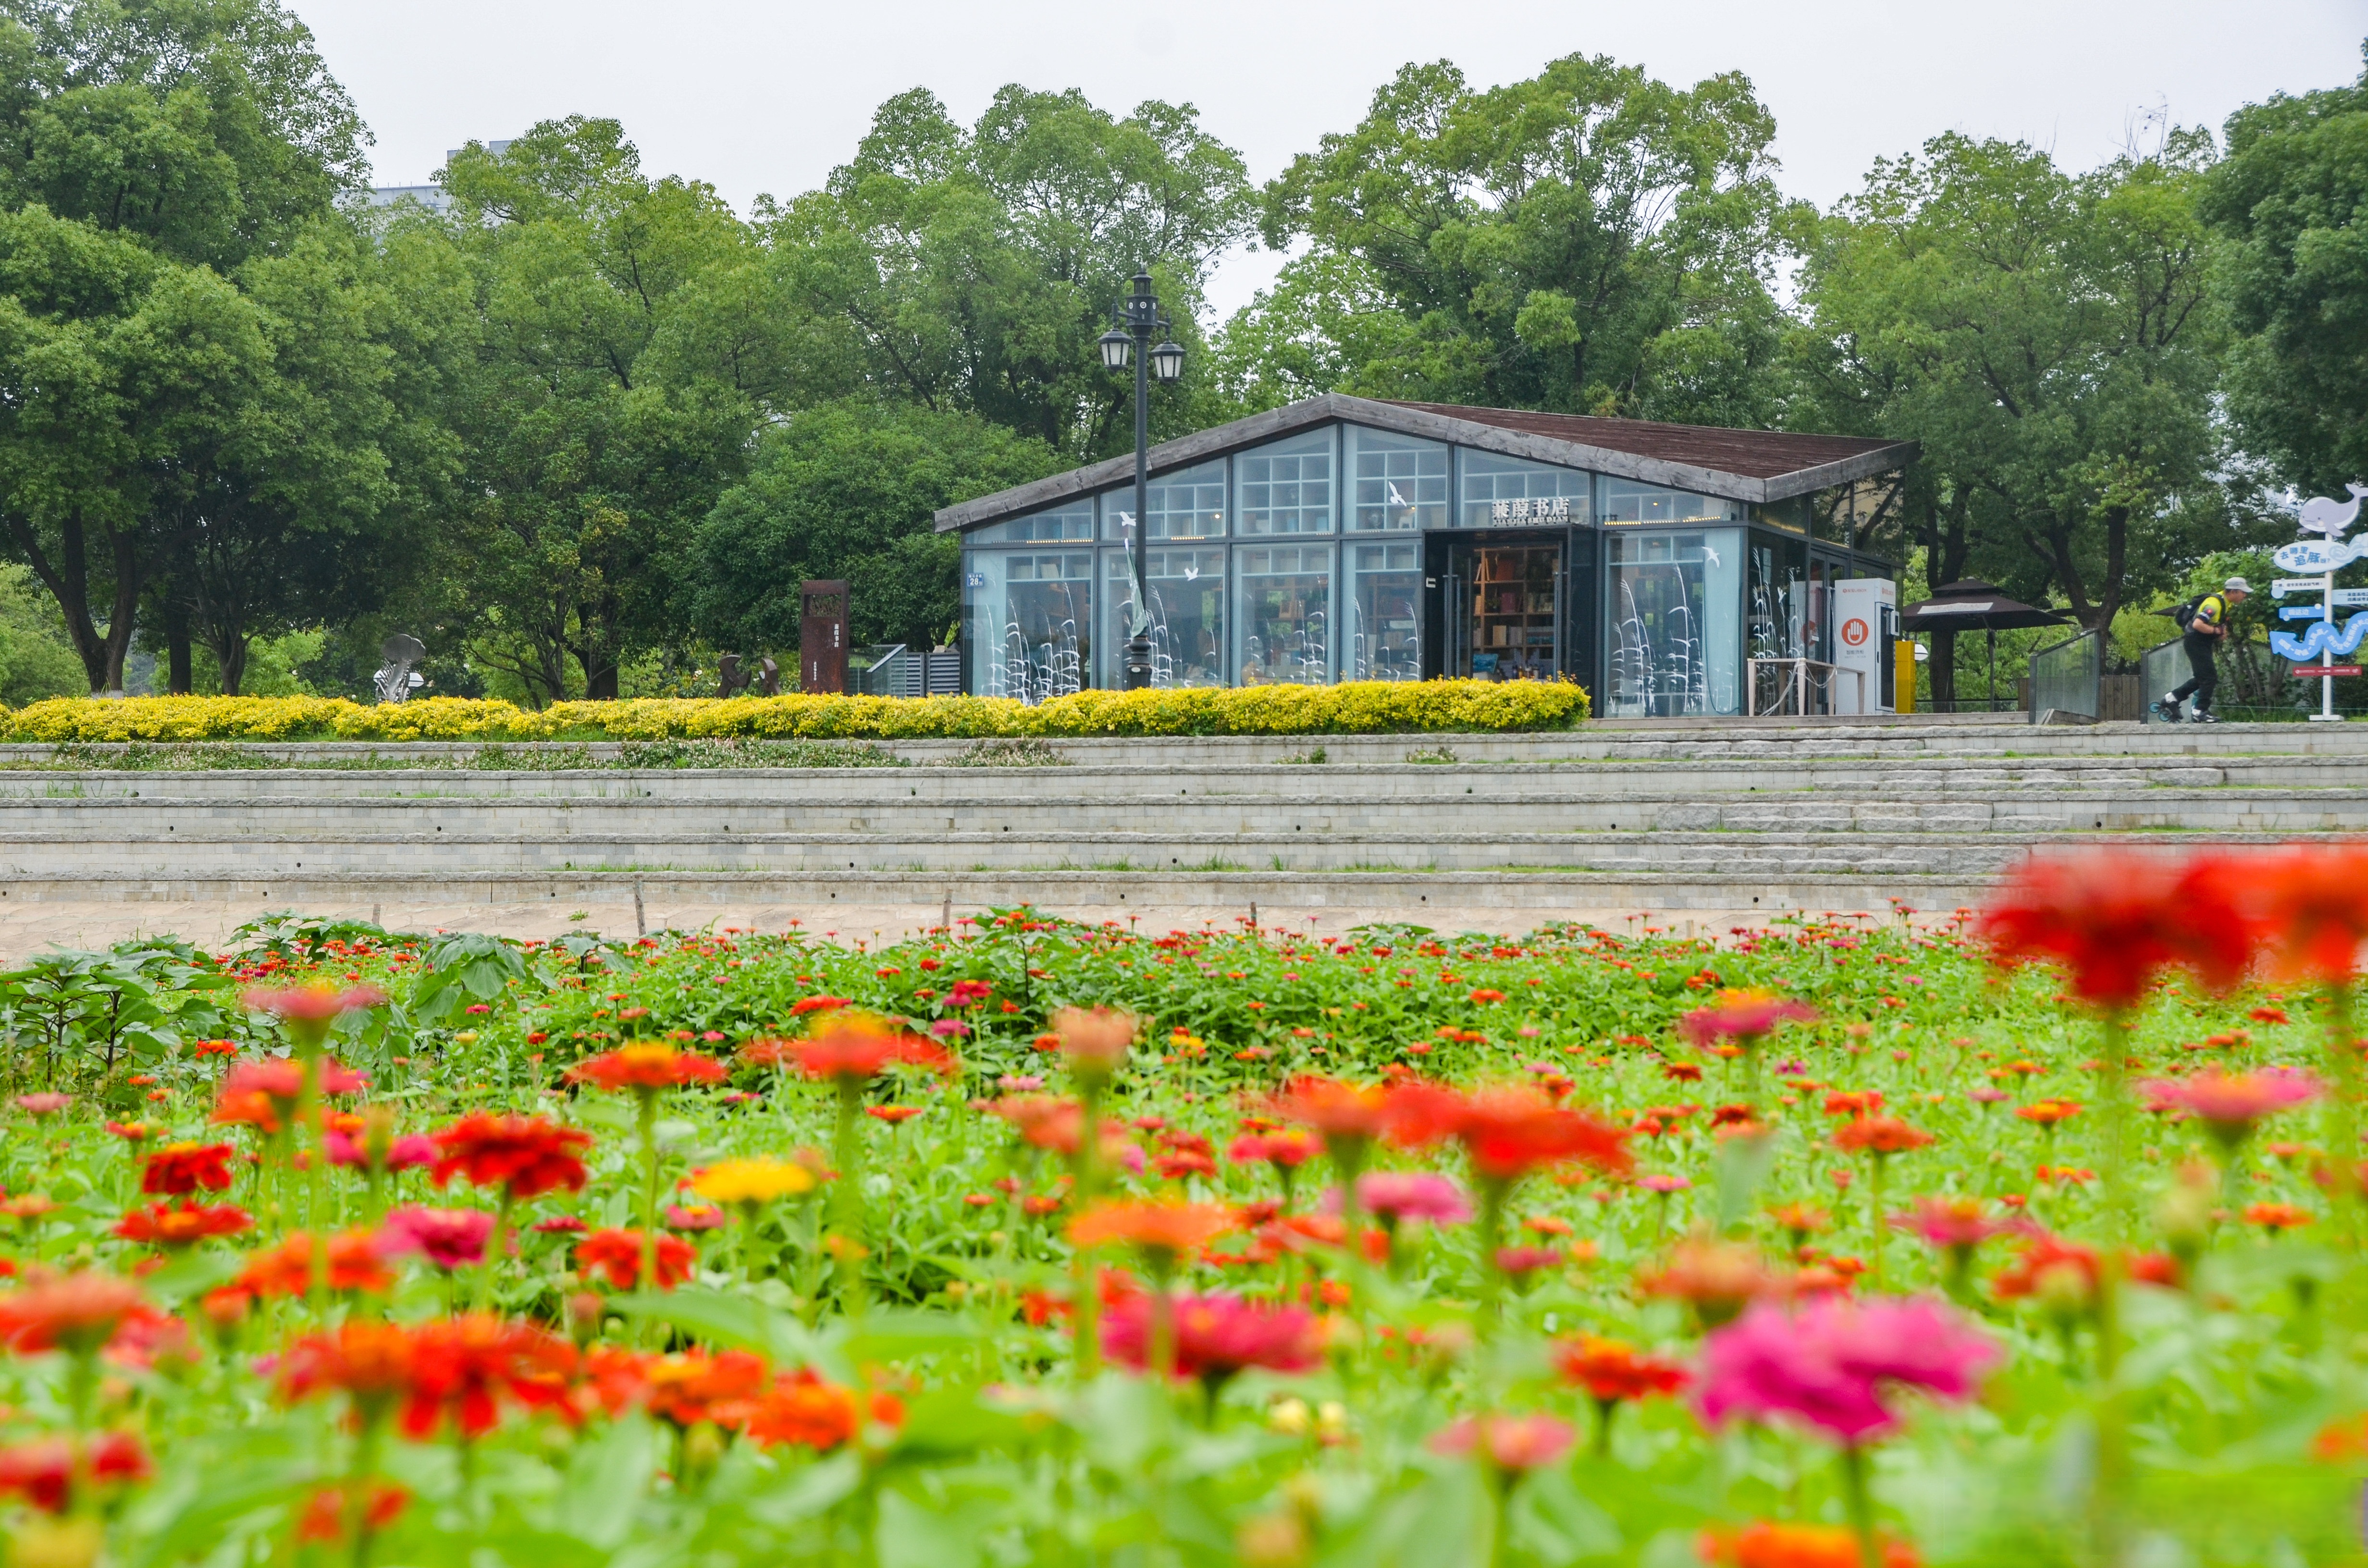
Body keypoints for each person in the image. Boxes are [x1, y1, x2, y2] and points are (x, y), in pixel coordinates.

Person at [2156, 576, 2250, 723]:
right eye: (2243, 592)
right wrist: (2216, 632)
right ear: (2233, 591)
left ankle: (2172, 698)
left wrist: (2219, 631)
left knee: (2202, 678)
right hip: (2196, 642)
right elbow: (2198, 625)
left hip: (2201, 643)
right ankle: (2199, 711)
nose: (2245, 595)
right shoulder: (2214, 604)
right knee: (2209, 678)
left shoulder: (2226, 603)